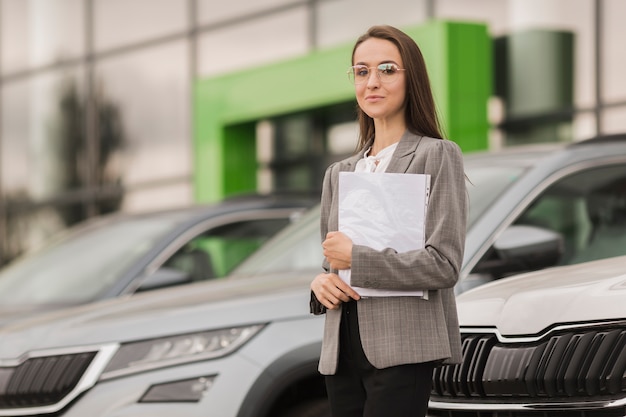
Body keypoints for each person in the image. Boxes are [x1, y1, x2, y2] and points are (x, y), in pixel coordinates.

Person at [309, 25, 467, 417]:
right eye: (362, 72)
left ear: (411, 78)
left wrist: (356, 259)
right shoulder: (339, 172)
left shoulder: (437, 155)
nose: (372, 82)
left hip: (402, 347)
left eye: (387, 69)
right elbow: (333, 262)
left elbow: (443, 264)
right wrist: (320, 283)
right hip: (341, 351)